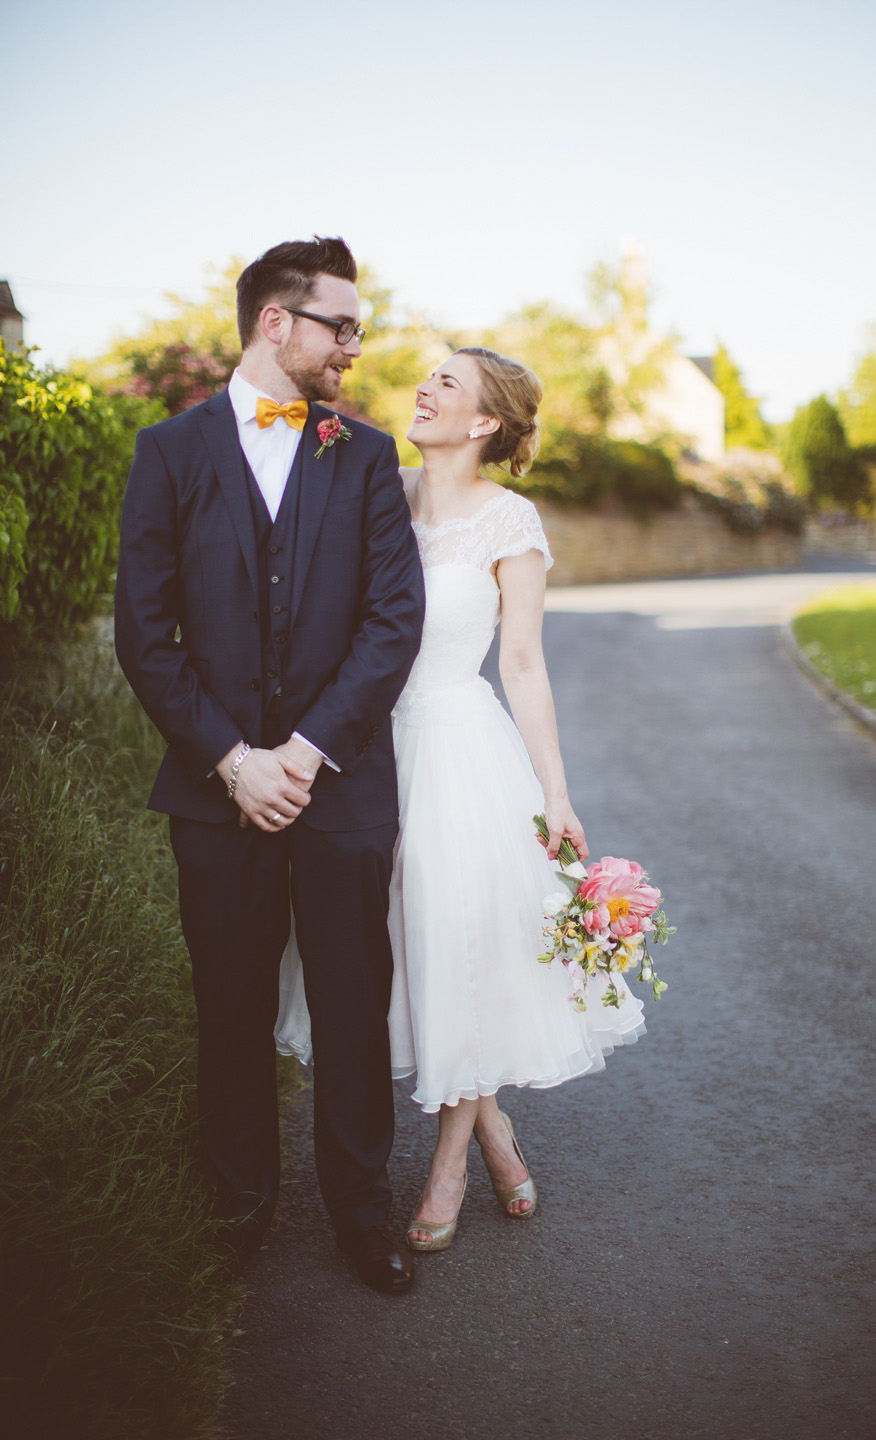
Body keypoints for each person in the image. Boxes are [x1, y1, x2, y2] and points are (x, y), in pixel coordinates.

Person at [275, 346, 645, 1253]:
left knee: (459, 950)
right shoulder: (378, 488)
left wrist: (555, 794)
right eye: (427, 376)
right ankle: (494, 1130)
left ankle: (447, 1166)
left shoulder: (508, 520)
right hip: (363, 750)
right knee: (395, 953)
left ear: (485, 423)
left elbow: (521, 662)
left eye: (448, 383)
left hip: (455, 750)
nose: (425, 387)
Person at [115, 237, 425, 1295]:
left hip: (341, 790)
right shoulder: (168, 453)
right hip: (215, 799)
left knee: (351, 1003)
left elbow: (395, 623)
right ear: (274, 323)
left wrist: (300, 753)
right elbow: (143, 634)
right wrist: (231, 762)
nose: (356, 344)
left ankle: (362, 1215)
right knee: (231, 1006)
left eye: (358, 328)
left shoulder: (368, 454)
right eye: (342, 325)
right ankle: (238, 1205)